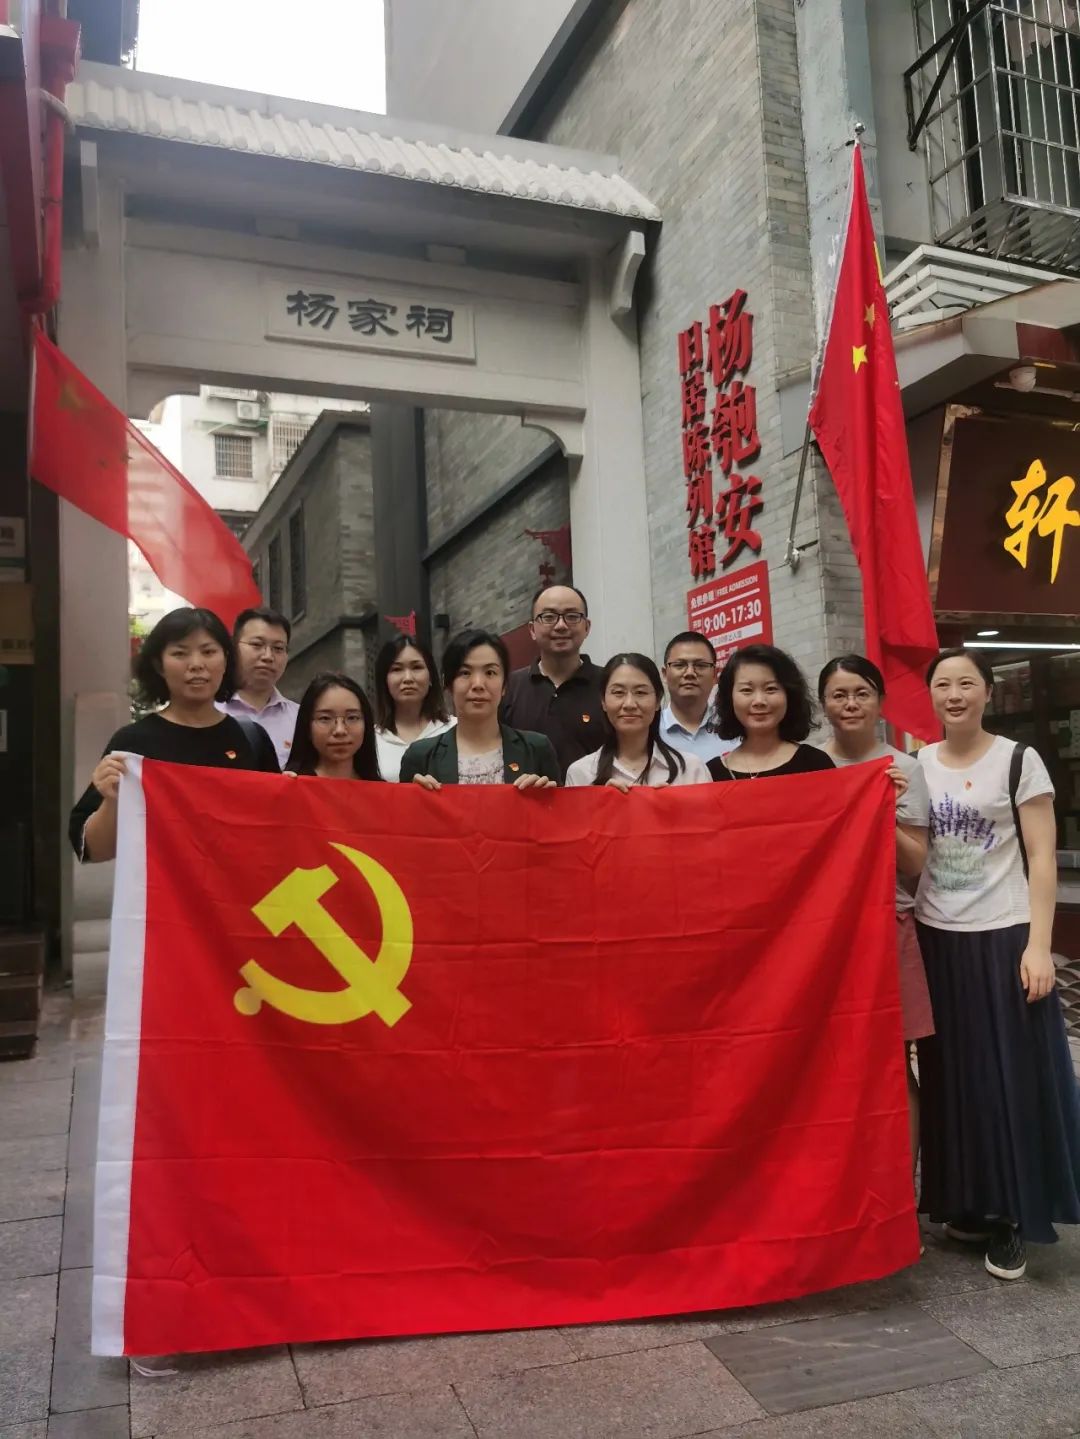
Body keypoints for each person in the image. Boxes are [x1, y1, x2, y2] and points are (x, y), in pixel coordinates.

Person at [915, 648, 1080, 1281]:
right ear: (930, 695)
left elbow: (1042, 857)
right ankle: (969, 1203)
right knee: (955, 1077)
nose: (954, 694)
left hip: (1003, 935)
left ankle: (1016, 1214)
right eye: (943, 684)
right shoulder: (918, 763)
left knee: (1012, 1076)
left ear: (987, 691)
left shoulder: (1018, 760)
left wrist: (1039, 945)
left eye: (967, 683)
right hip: (939, 937)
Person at [819, 654, 933, 1173]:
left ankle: (900, 1186)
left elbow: (915, 863)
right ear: (823, 704)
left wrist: (882, 809)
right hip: (826, 936)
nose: (851, 704)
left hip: (890, 927)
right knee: (833, 1064)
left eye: (861, 693)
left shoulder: (906, 768)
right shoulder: (810, 766)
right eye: (839, 695)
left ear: (880, 702)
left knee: (893, 1060)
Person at [70, 607, 280, 862]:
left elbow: (278, 833)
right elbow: (94, 851)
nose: (196, 664)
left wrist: (290, 794)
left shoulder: (251, 739)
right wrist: (112, 800)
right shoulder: (132, 744)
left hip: (236, 885)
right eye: (180, 653)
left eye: (208, 652)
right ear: (159, 665)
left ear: (226, 660)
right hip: (162, 887)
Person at [401, 629, 559, 789]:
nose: (478, 684)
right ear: (448, 684)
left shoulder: (536, 750)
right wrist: (414, 798)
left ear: (504, 685)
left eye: (490, 672)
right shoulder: (421, 756)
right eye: (465, 673)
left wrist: (545, 798)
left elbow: (559, 805)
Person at [501, 584, 605, 777]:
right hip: (526, 795)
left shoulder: (609, 685)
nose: (561, 625)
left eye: (572, 616)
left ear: (587, 627)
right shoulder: (507, 688)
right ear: (532, 629)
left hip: (595, 795)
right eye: (549, 617)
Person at [565, 653, 711, 788]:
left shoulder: (691, 770)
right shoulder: (581, 774)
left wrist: (672, 805)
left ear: (657, 700)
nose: (629, 704)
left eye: (640, 692)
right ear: (603, 701)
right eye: (618, 692)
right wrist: (604, 802)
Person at [708, 644, 834, 781]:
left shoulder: (815, 764)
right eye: (747, 690)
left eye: (770, 689)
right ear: (729, 697)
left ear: (789, 695)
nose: (759, 701)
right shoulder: (711, 773)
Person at [218, 607, 300, 769]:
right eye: (257, 644)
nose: (268, 656)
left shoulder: (300, 719)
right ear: (233, 649)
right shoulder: (208, 712)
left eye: (278, 648)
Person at [372, 635, 455, 782]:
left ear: (431, 677)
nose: (408, 678)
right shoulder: (371, 739)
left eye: (417, 667)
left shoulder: (455, 730)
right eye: (397, 669)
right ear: (384, 680)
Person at [286, 673, 382, 780]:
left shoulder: (381, 788)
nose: (340, 730)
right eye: (325, 718)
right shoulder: (292, 784)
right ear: (307, 726)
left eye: (352, 718)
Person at [660, 631, 734, 764]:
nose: (690, 673)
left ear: (714, 675)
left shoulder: (734, 729)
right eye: (680, 665)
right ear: (665, 674)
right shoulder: (648, 731)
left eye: (700, 665)